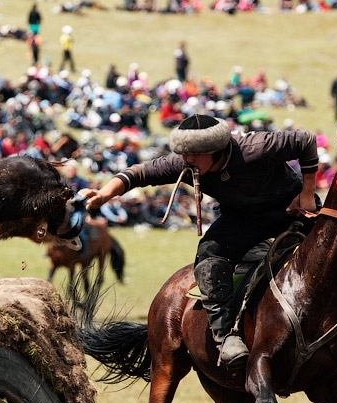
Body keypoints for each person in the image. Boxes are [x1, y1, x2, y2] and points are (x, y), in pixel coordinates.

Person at [79, 114, 318, 367]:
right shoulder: (186, 164)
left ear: (215, 149)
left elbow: (305, 141)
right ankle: (226, 338)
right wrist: (104, 194)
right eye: (184, 153)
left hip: (290, 208)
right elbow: (138, 173)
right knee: (209, 256)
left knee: (331, 241)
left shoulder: (254, 148)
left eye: (194, 154)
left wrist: (307, 193)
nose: (187, 159)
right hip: (241, 220)